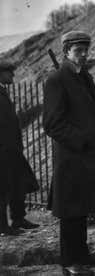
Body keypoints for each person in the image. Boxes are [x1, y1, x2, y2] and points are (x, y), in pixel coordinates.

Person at [43, 31, 95, 275]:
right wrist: (82, 140)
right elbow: (52, 124)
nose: (84, 55)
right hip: (72, 157)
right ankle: (70, 262)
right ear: (66, 52)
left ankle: (82, 255)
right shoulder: (56, 80)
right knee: (70, 212)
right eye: (78, 51)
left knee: (81, 208)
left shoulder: (84, 78)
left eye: (86, 50)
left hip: (86, 156)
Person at [0, 61, 39, 236]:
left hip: (12, 148)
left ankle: (18, 218)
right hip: (3, 149)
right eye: (9, 72)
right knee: (3, 188)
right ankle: (2, 226)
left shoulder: (3, 92)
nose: (13, 76)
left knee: (17, 183)